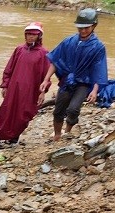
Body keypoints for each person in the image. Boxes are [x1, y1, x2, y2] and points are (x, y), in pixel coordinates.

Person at [39, 8, 108, 142]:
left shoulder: (98, 47)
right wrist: (46, 79)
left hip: (83, 83)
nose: (83, 31)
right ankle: (57, 134)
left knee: (73, 109)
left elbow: (98, 70)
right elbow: (55, 61)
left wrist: (94, 90)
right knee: (58, 110)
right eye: (80, 27)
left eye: (86, 28)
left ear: (94, 26)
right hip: (67, 80)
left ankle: (67, 131)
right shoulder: (68, 41)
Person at [0, 22, 51, 147]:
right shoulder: (19, 49)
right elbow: (9, 68)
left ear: (39, 36)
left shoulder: (44, 53)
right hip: (14, 88)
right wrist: (5, 85)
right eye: (28, 34)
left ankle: (14, 137)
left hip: (31, 91)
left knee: (23, 113)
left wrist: (42, 92)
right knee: (5, 111)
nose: (30, 37)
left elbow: (46, 75)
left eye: (33, 35)